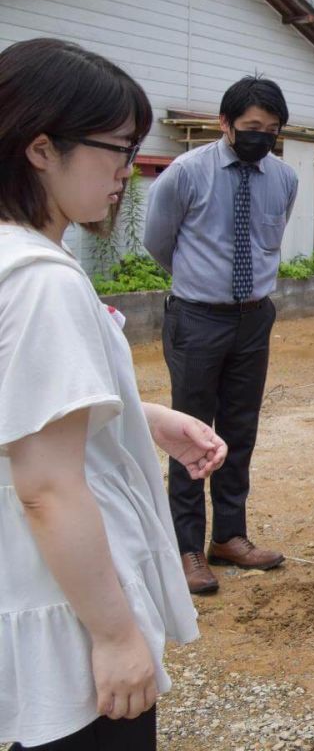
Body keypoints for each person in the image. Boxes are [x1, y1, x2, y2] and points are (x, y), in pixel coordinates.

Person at [0, 38, 225, 750]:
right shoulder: (41, 279)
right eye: (118, 149)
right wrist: (117, 634)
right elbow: (47, 486)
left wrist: (142, 417)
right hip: (62, 606)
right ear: (41, 149)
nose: (130, 172)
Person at [144, 76, 299, 594]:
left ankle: (229, 537)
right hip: (197, 317)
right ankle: (187, 547)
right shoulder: (186, 173)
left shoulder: (285, 178)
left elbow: (269, 243)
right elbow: (158, 241)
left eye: (272, 130)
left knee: (240, 427)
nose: (262, 137)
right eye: (252, 128)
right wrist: (201, 283)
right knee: (190, 430)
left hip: (254, 317)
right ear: (225, 124)